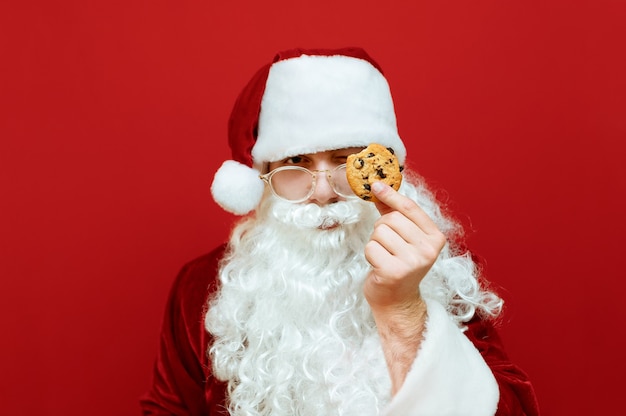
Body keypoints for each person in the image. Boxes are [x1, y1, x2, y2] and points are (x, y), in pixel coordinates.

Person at [140, 47, 539, 415]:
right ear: (261, 178)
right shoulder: (201, 288)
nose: (324, 192)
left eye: (345, 159)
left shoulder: (433, 267)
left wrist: (404, 310)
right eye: (296, 161)